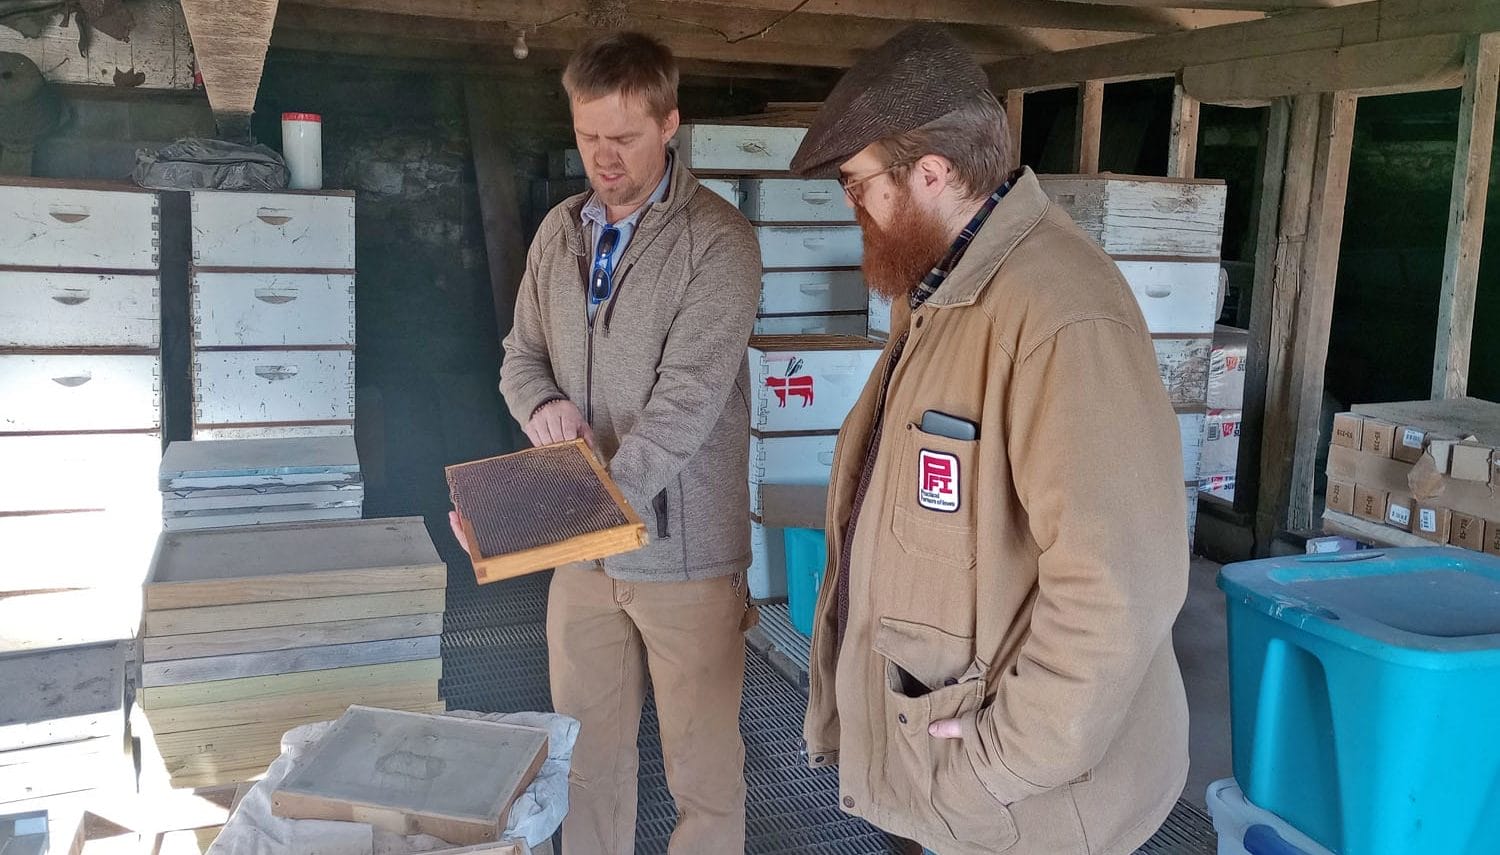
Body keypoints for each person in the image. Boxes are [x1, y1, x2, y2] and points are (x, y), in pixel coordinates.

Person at [789, 23, 1191, 855]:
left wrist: (995, 768)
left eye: (859, 182)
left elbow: (1119, 590)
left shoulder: (1060, 314)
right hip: (945, 774)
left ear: (931, 174)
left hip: (1023, 807)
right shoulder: (941, 291)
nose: (851, 204)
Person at [450, 31, 762, 855]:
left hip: (685, 557)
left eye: (623, 136)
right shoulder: (560, 233)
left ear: (670, 124)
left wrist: (559, 509)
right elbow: (520, 357)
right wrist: (542, 405)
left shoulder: (719, 241)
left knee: (702, 774)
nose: (603, 156)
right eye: (588, 135)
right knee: (585, 763)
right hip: (582, 563)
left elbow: (684, 406)